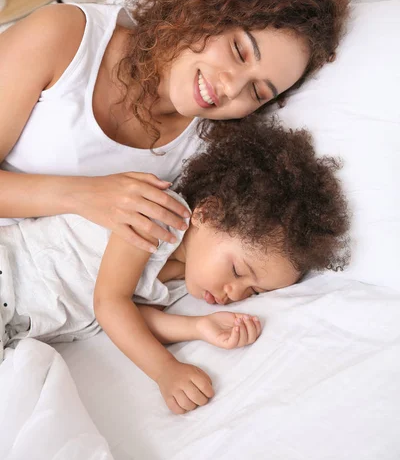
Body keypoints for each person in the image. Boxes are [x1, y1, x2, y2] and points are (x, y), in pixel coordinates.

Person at [0, 0, 351, 251]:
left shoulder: (203, 150)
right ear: (204, 9)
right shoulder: (63, 37)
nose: (231, 88)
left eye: (258, 91)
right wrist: (84, 195)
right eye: (240, 51)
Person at [0, 115, 350, 414]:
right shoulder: (158, 214)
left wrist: (199, 328)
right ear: (207, 214)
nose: (236, 293)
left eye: (253, 291)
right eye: (239, 272)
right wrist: (165, 370)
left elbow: (135, 318)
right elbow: (110, 303)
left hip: (16, 322)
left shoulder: (185, 278)